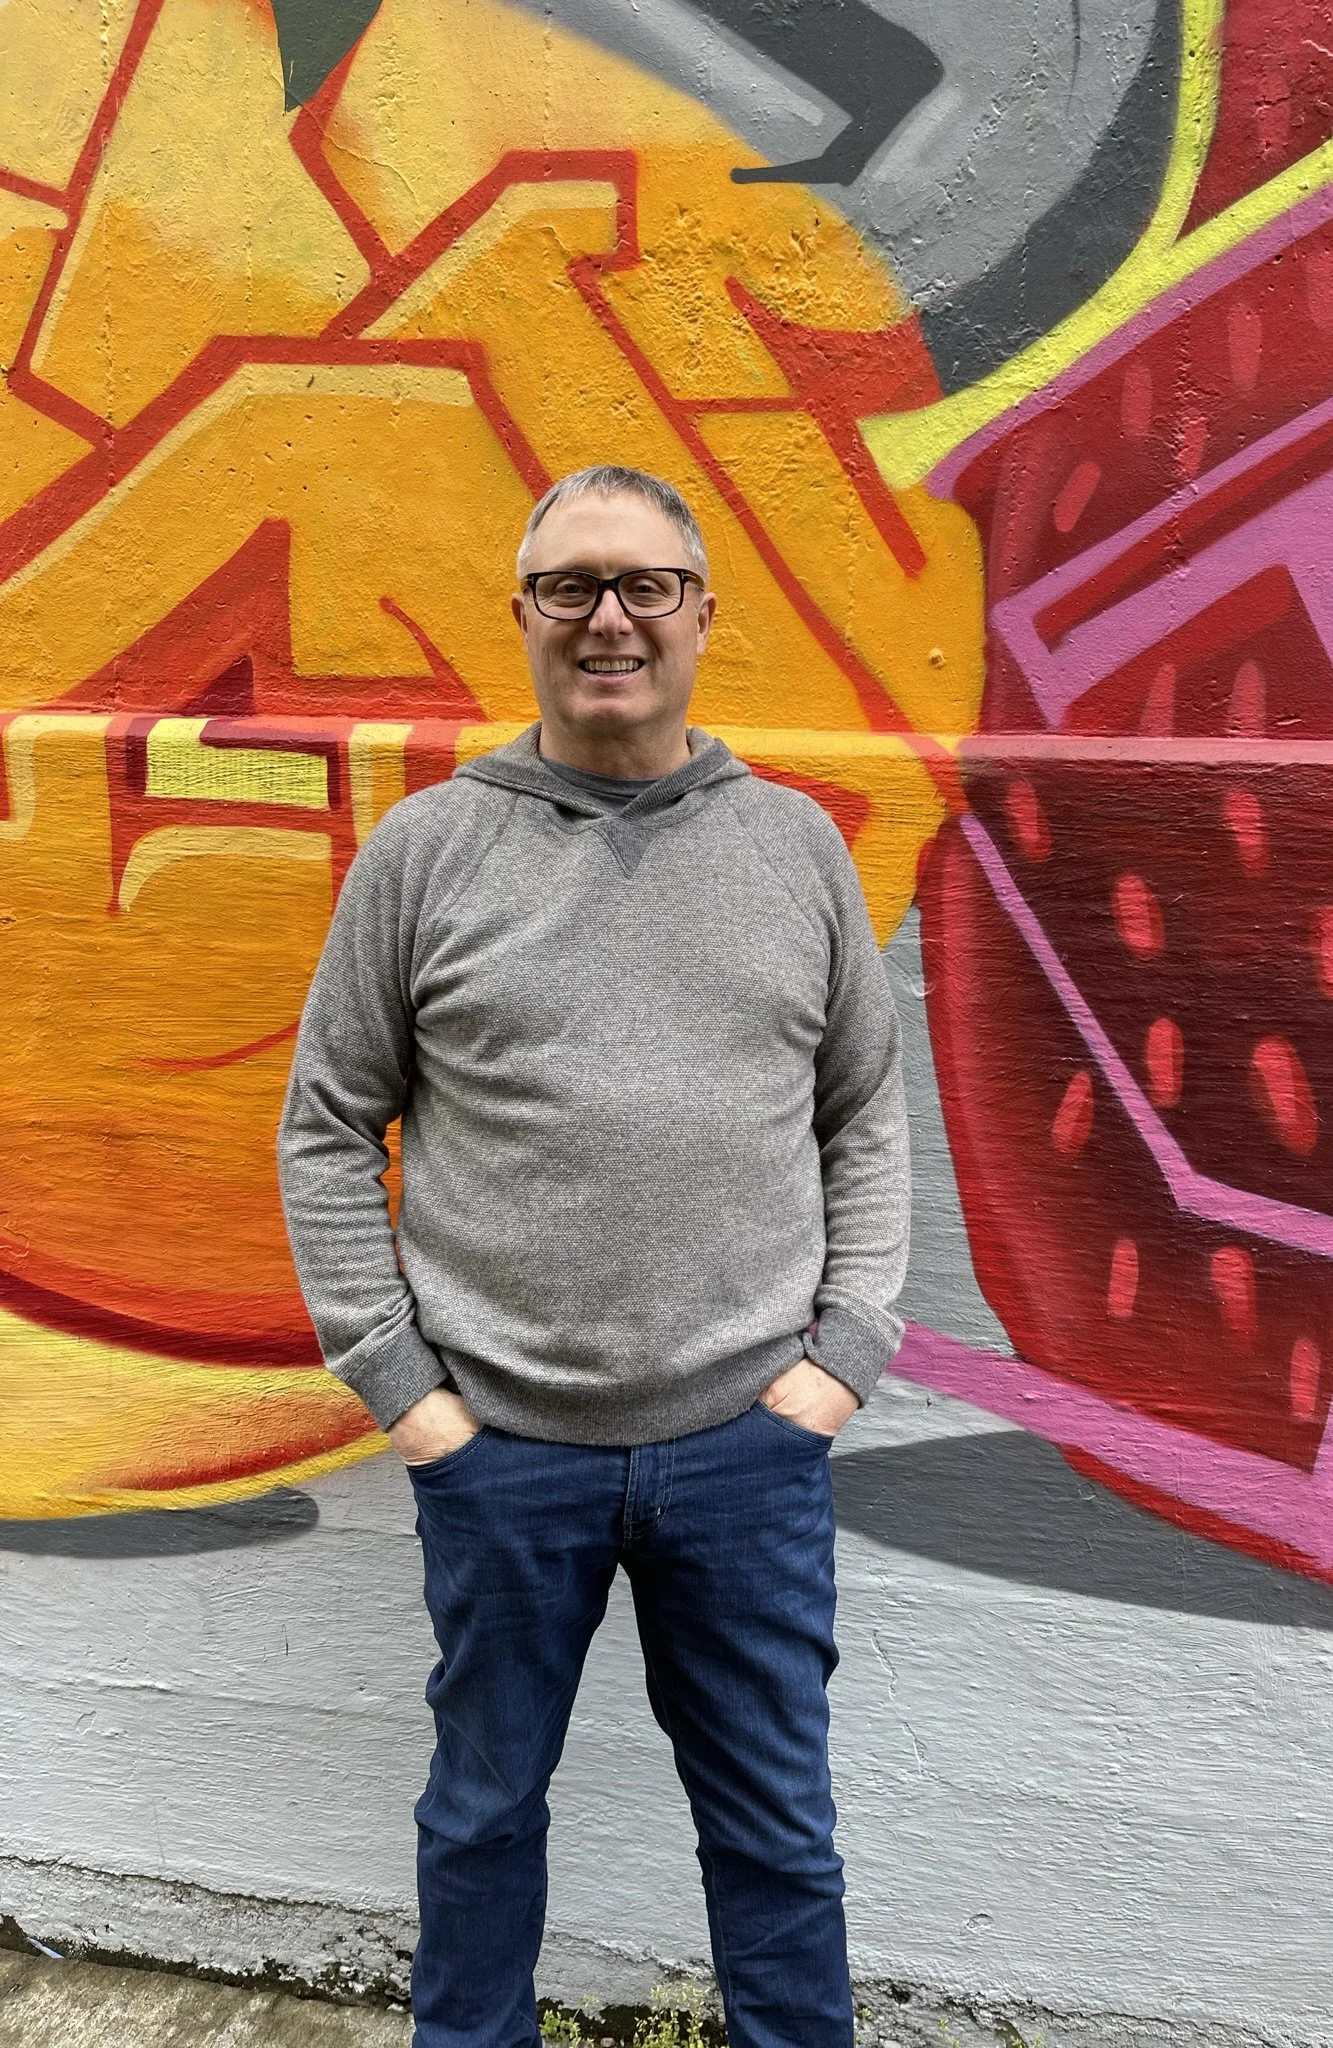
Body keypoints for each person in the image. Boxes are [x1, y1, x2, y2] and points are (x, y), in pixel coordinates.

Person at [277, 464, 911, 2048]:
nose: (609, 618)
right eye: (571, 587)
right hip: (502, 1457)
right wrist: (407, 1394)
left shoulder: (796, 850)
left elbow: (866, 1118)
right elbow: (324, 1127)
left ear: (703, 615)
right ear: (524, 618)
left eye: (644, 586)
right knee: (482, 1820)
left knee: (775, 1838)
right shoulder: (426, 856)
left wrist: (841, 1362)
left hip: (747, 1452)